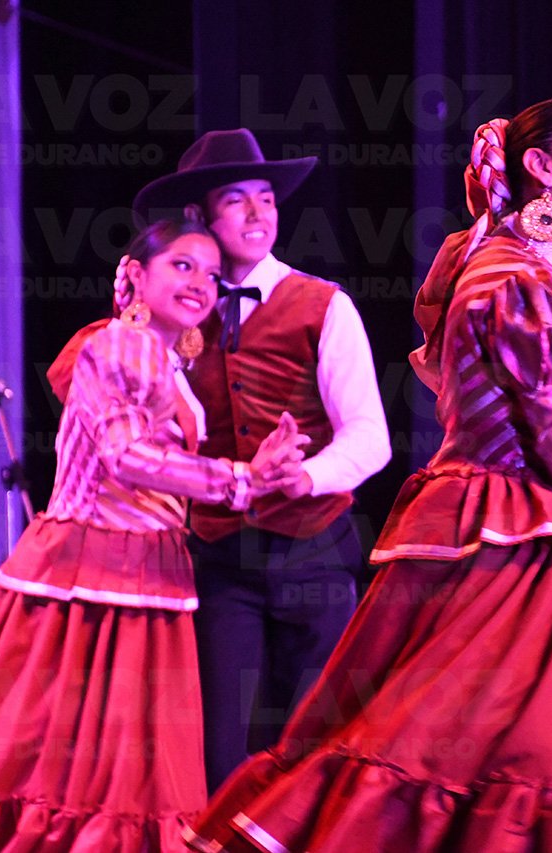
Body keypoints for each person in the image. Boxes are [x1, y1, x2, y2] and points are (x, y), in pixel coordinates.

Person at [181, 95, 552, 853]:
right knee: (517, 778)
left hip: (539, 549)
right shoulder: (518, 281)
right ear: (541, 166)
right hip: (515, 565)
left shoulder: (530, 267)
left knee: (517, 784)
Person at [0, 219, 306, 851]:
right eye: (182, 265)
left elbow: (162, 471)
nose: (200, 283)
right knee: (69, 754)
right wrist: (242, 478)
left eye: (210, 273)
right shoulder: (120, 346)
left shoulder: (163, 359)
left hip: (148, 569)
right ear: (137, 275)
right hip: (91, 568)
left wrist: (261, 471)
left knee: (116, 759)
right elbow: (128, 455)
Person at [132, 129, 392, 794]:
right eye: (237, 200)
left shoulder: (323, 304)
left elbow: (370, 435)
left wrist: (308, 475)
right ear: (200, 216)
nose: (258, 214)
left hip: (314, 551)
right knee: (222, 748)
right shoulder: (175, 313)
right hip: (223, 557)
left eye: (267, 199)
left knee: (314, 748)